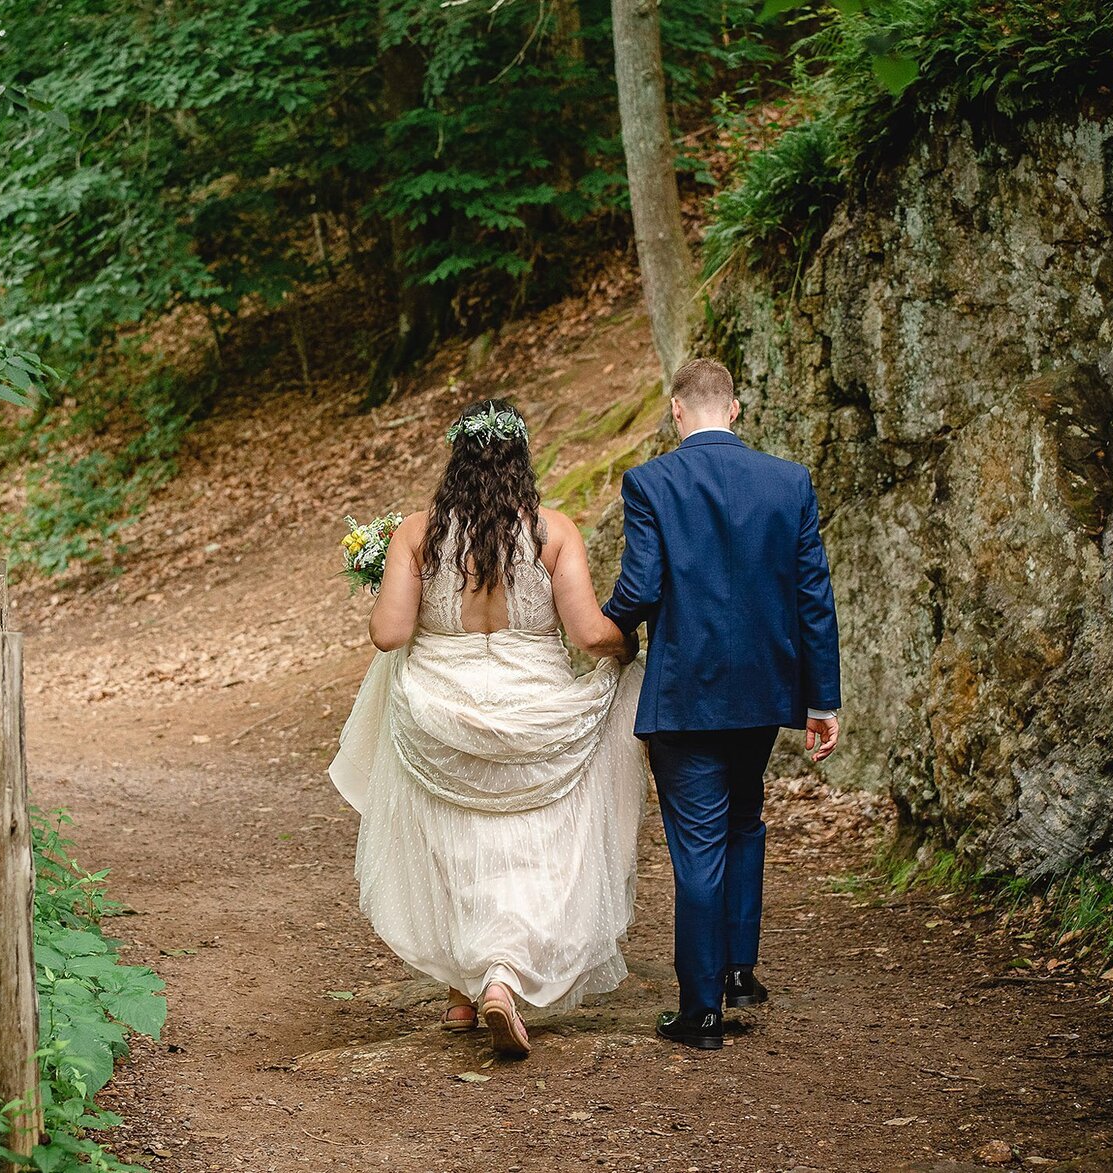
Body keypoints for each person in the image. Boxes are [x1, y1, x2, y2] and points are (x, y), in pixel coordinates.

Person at [329, 399, 649, 1058]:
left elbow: (389, 633)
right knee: (529, 843)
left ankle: (462, 991)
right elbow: (589, 634)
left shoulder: (417, 534)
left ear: (456, 460)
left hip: (443, 710)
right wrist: (628, 647)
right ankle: (500, 976)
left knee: (453, 836)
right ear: (521, 459)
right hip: (534, 709)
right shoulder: (553, 531)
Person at [602, 357, 842, 1052]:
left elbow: (641, 587)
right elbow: (813, 598)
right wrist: (821, 699)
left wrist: (602, 630)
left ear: (677, 411)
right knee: (745, 820)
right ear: (734, 409)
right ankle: (740, 971)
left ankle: (701, 1008)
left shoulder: (651, 482)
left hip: (686, 692)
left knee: (700, 845)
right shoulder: (788, 481)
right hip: (765, 694)